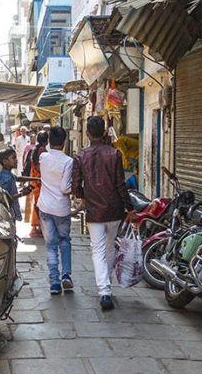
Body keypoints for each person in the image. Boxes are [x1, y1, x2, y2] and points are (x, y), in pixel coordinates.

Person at [72, 116, 132, 310]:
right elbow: (120, 185)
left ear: (87, 133)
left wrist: (84, 196)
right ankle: (106, 287)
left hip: (95, 212)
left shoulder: (81, 156)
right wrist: (130, 208)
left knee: (97, 250)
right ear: (104, 133)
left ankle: (104, 291)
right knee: (109, 248)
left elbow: (75, 186)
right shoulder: (114, 154)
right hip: (114, 210)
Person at [38, 126, 74, 295]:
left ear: (49, 141)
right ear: (65, 141)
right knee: (65, 241)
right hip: (61, 208)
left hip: (45, 206)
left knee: (51, 245)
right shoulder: (68, 161)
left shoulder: (43, 157)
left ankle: (54, 282)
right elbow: (65, 188)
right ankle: (66, 275)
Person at [24, 131, 49, 237]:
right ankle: (38, 227)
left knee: (37, 203)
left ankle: (36, 227)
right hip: (40, 179)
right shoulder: (42, 150)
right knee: (40, 204)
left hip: (35, 179)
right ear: (47, 140)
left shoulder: (35, 149)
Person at [0, 147, 23, 221]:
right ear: (5, 161)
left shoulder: (8, 173)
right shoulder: (6, 178)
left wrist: (37, 179)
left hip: (11, 209)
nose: (16, 160)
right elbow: (6, 198)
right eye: (13, 158)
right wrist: (22, 194)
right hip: (8, 210)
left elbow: (18, 178)